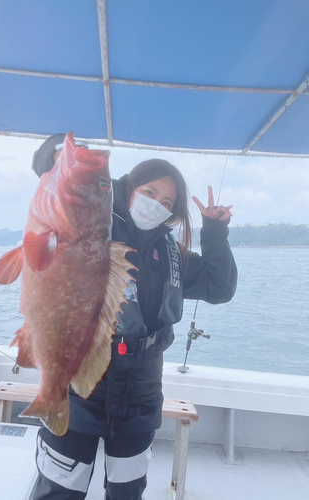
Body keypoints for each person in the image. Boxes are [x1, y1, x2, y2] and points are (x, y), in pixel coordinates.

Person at [30, 135, 238, 500]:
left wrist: (215, 233)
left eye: (166, 202)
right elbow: (51, 177)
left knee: (127, 492)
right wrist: (58, 156)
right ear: (129, 188)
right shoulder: (92, 224)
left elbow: (219, 288)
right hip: (80, 388)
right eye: (150, 191)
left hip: (140, 396)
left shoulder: (173, 254)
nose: (155, 204)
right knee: (59, 489)